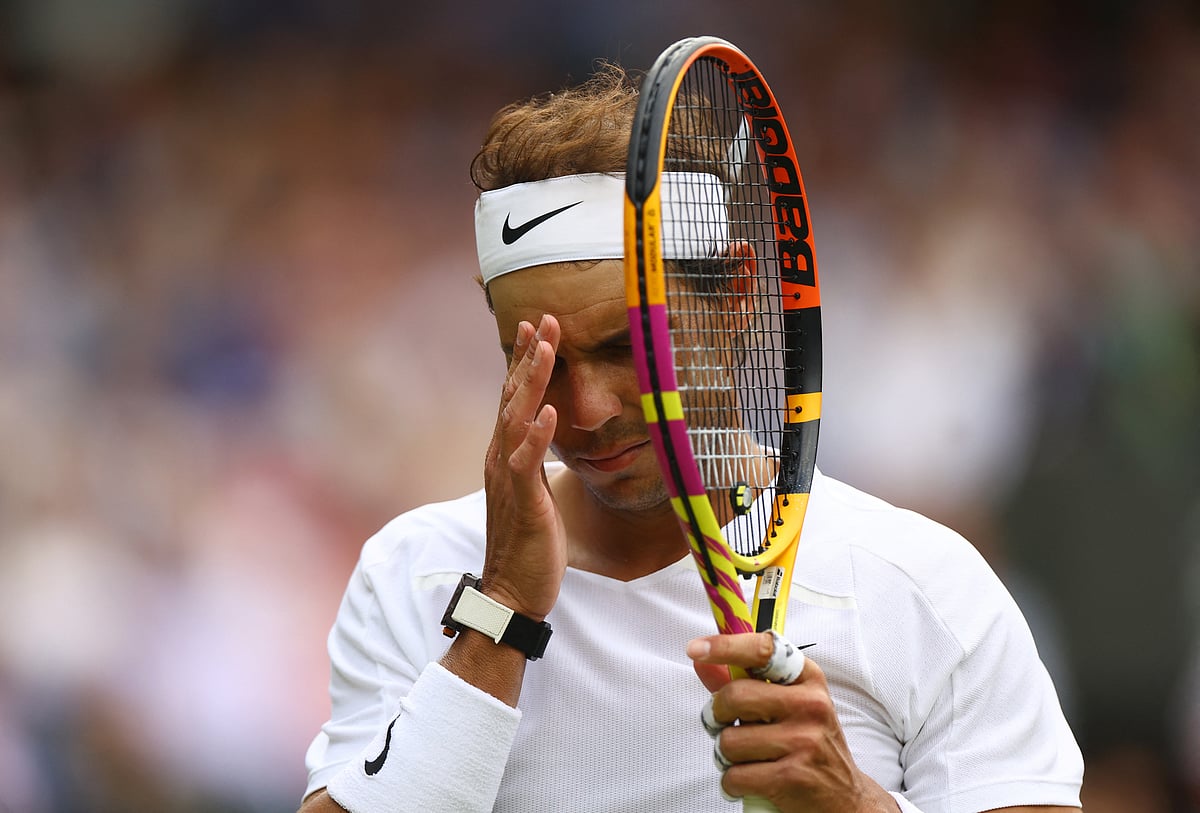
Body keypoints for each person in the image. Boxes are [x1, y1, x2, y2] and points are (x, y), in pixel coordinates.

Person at [298, 64, 1084, 813]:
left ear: (736, 299)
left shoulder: (920, 585)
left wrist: (854, 800)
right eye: (536, 358)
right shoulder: (415, 572)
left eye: (626, 348)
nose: (589, 408)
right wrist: (502, 609)